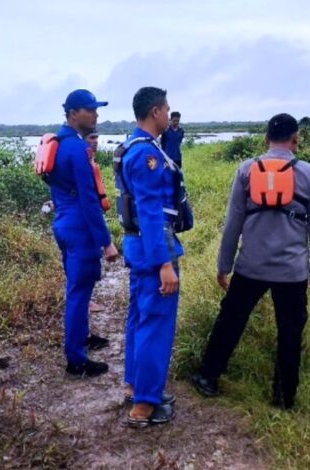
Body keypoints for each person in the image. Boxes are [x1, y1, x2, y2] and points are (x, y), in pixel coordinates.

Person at [190, 113, 310, 409]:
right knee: (290, 332)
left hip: (250, 266)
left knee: (230, 321)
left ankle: (208, 377)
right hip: (291, 271)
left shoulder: (246, 170)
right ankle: (283, 396)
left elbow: (232, 224)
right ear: (296, 139)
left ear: (266, 139)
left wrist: (224, 265)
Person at [118, 87, 184, 427]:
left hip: (137, 249)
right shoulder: (147, 156)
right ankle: (144, 405)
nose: (169, 114)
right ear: (156, 111)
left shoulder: (130, 147)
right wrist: (165, 264)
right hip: (153, 252)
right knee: (155, 324)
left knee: (139, 319)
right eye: (167, 108)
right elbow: (151, 212)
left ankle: (136, 386)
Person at [50, 89, 118, 377]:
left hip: (63, 222)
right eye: (91, 109)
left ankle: (83, 337)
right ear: (74, 113)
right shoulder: (77, 149)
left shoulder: (59, 141)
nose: (96, 114)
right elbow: (89, 200)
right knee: (79, 293)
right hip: (79, 228)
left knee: (77, 289)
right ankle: (76, 360)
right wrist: (107, 242)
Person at [82, 128, 106, 314]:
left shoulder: (91, 161)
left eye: (97, 138)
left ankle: (88, 298)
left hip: (94, 216)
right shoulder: (82, 162)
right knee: (86, 263)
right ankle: (85, 301)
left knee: (92, 262)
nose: (95, 141)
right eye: (92, 138)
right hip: (85, 223)